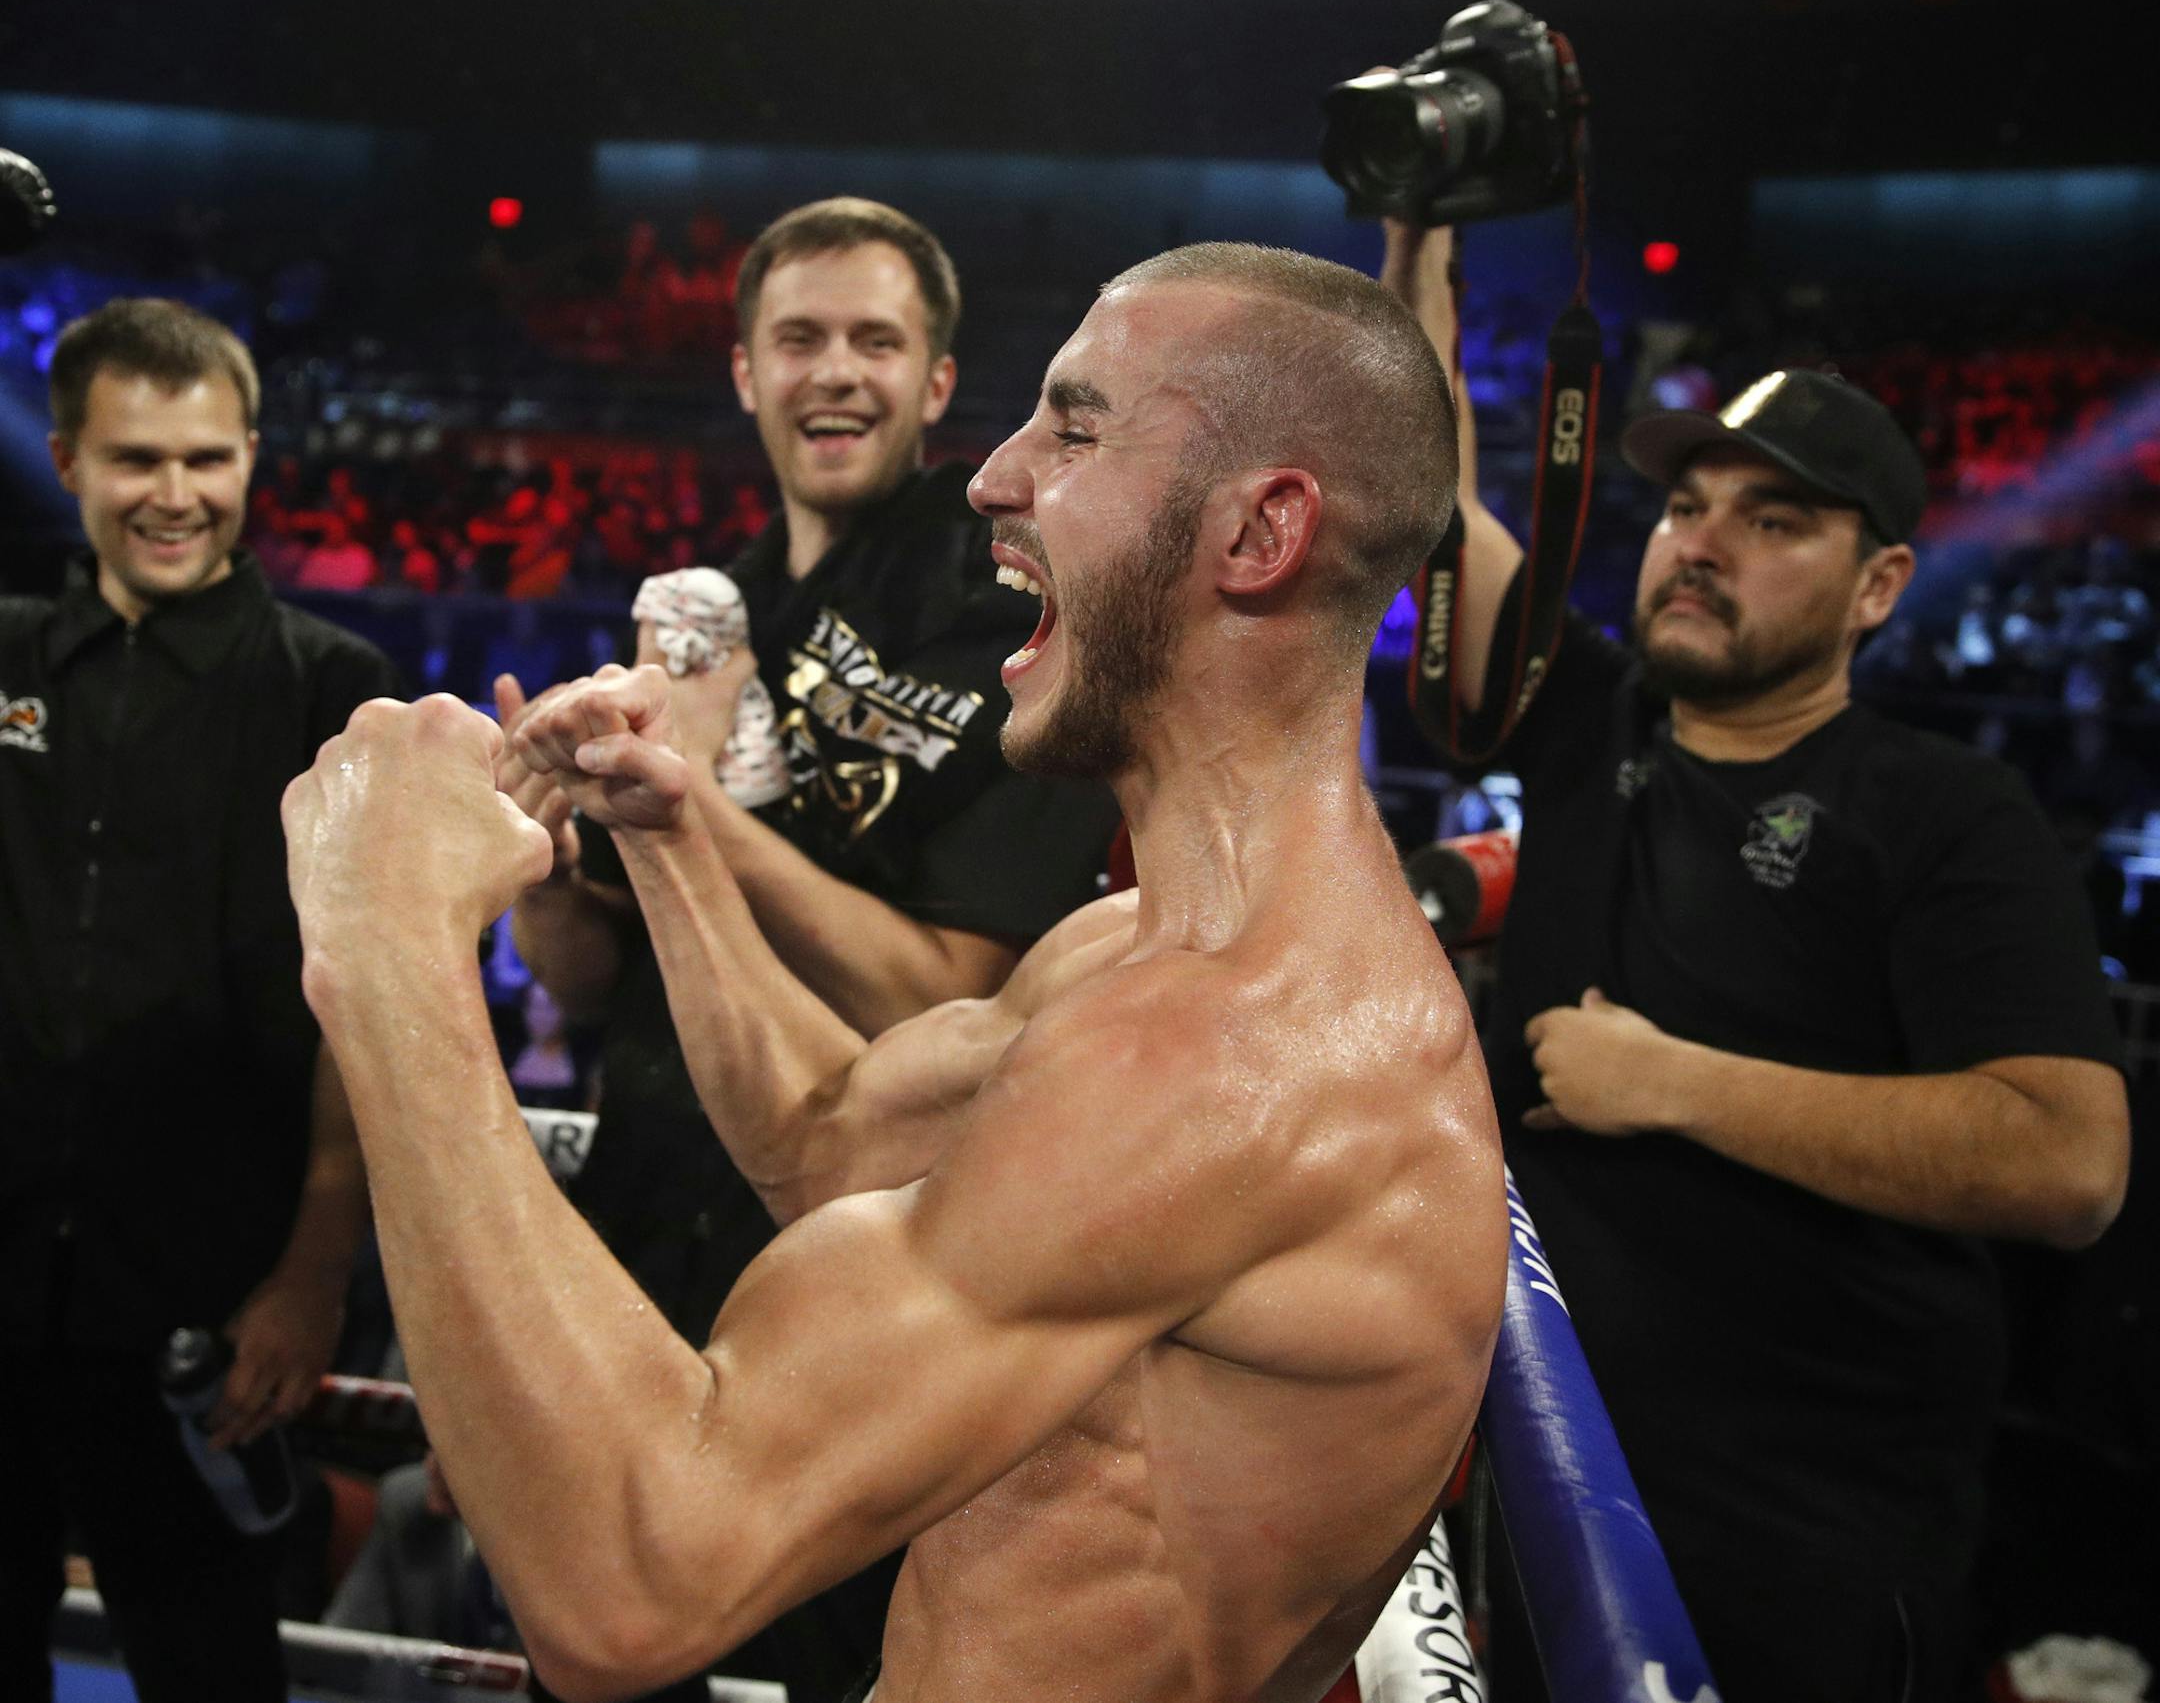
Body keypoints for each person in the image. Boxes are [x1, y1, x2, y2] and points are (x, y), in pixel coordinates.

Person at [280, 241, 1507, 1703]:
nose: (992, 474)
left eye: (1076, 424)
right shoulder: (1139, 951)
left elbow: (630, 1581)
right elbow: (829, 1141)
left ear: (1259, 536)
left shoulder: (1238, 1057)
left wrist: (385, 946)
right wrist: (673, 832)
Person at [1381, 222, 2131, 1702]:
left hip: (1805, 1538)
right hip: (1537, 1471)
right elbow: (1433, 497)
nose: (1702, 540)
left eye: (1776, 519)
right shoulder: (1591, 724)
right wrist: (1420, 236)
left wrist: (1672, 1082)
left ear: (1878, 585)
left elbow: (2070, 1156)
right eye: (1690, 504)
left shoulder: (1943, 808)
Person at [499, 199, 1122, 1696]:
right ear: (741, 373)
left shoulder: (1019, 629)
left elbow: (958, 988)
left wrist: (692, 809)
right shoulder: (706, 618)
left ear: (935, 380)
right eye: (800, 338)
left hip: (870, 1311)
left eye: (873, 340)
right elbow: (592, 983)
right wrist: (541, 857)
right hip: (648, 1246)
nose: (834, 371)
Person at [0, 298, 402, 1702]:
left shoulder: (330, 686)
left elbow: (368, 1005)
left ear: (249, 458)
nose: (174, 494)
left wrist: (313, 1267)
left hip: (205, 1307)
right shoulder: (4, 666)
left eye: (204, 457)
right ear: (66, 460)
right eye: (135, 459)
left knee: (206, 1671)